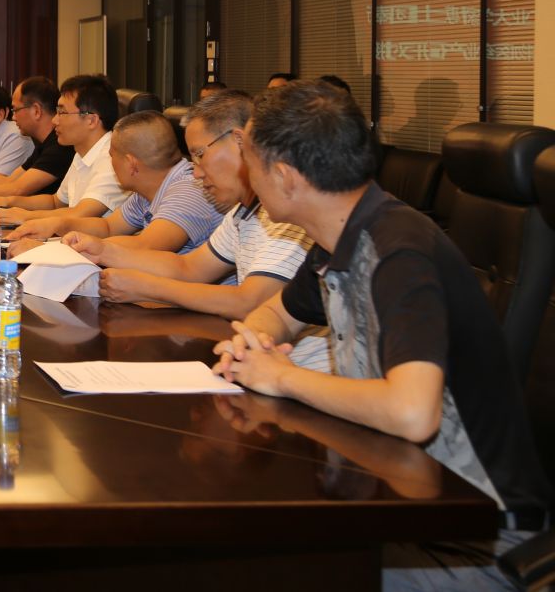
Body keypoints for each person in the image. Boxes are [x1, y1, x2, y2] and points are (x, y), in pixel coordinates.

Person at [215, 81, 551, 577]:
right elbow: (280, 313)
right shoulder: (341, 234)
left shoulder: (399, 252)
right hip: (392, 494)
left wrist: (281, 377)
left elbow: (413, 413)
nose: (247, 175)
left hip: (473, 538)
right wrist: (255, 342)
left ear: (284, 176)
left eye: (251, 162)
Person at [60, 91, 330, 369]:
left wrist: (148, 287)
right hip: (252, 361)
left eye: (200, 155)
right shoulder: (243, 213)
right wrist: (104, 251)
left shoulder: (288, 216)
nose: (196, 172)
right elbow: (189, 267)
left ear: (240, 142)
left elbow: (250, 302)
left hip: (296, 370)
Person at [10, 110, 221, 256]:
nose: (110, 163)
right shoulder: (147, 190)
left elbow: (145, 247)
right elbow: (109, 227)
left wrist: (53, 249)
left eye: (111, 156)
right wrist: (58, 225)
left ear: (131, 164)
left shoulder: (189, 190)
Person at [0, 74, 128, 226]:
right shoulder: (81, 152)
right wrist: (7, 201)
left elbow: (79, 214)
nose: (55, 120)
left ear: (91, 120)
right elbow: (55, 201)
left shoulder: (112, 158)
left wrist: (26, 216)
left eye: (62, 112)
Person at [0, 77, 74, 201]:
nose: (13, 118)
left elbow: (17, 190)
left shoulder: (60, 146)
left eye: (15, 110)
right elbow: (9, 182)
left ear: (36, 111)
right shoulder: (43, 145)